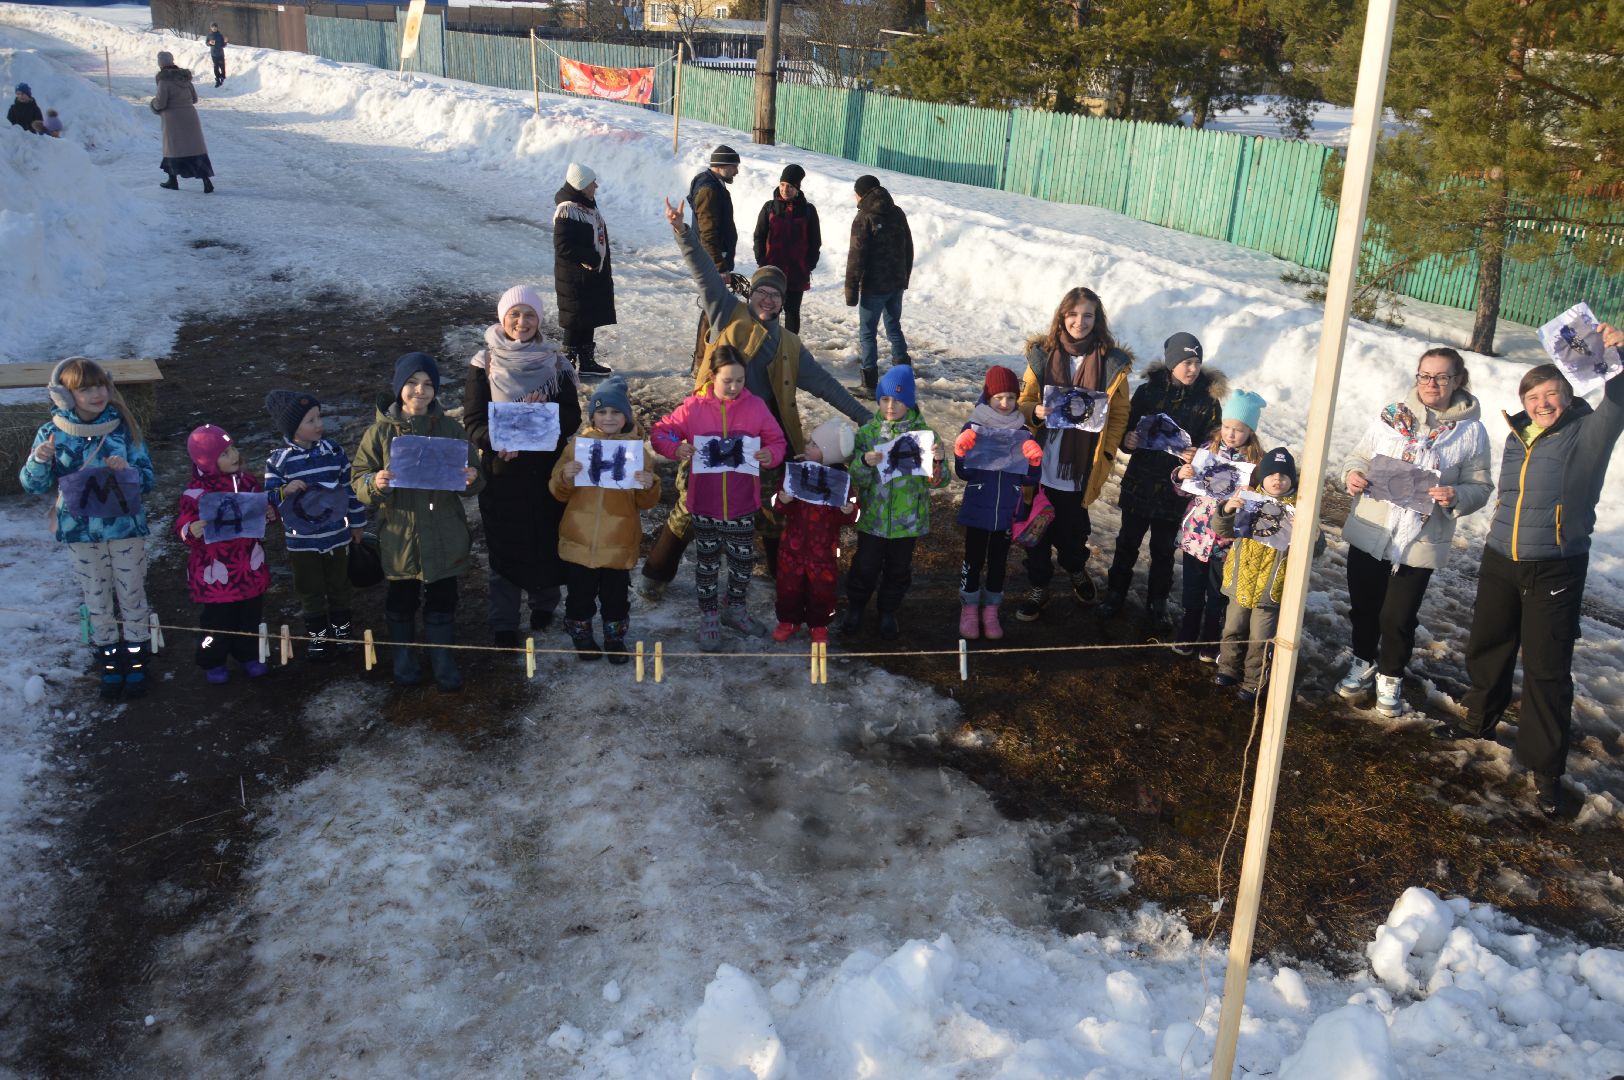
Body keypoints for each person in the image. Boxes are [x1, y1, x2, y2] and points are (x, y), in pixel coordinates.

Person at [642, 196, 870, 600]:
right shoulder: (727, 312)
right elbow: (704, 274)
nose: (767, 299)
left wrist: (868, 418)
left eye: (775, 295)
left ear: (783, 302)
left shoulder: (791, 345)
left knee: (771, 513)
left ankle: (784, 585)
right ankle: (656, 574)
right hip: (710, 429)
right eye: (762, 291)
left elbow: (827, 386)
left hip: (762, 442)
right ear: (753, 294)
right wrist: (682, 231)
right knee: (690, 512)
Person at [1438, 343, 1624, 815]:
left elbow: (1618, 400)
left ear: (1568, 396)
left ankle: (1545, 769)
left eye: (1551, 394)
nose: (1542, 403)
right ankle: (1479, 722)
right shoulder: (1518, 436)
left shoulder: (1587, 433)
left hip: (1555, 566)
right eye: (1533, 395)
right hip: (1501, 557)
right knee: (1488, 644)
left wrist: (1618, 356)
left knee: (1546, 669)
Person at [1336, 347, 1492, 716]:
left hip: (1419, 538)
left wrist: (1457, 495)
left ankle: (1390, 675)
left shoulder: (1471, 432)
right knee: (1364, 607)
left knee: (1398, 616)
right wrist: (1352, 475)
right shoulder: (1393, 415)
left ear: (1457, 381)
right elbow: (1358, 456)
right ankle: (1362, 660)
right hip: (1373, 527)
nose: (1431, 384)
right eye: (1425, 375)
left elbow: (1481, 486)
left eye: (1441, 377)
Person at [19, 359, 157, 700]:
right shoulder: (51, 432)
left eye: (100, 386)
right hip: (81, 534)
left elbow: (149, 479)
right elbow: (33, 486)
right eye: (85, 388)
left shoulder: (123, 427)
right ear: (65, 395)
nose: (96, 394)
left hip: (125, 529)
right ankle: (110, 665)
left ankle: (138, 664)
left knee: (132, 594)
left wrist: (128, 471)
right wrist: (39, 459)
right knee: (96, 598)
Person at [352, 353, 485, 692]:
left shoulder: (450, 429)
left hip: (444, 531)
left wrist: (472, 478)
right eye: (412, 383)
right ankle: (404, 660)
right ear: (400, 388)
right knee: (401, 599)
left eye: (427, 385)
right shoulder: (379, 434)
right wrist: (374, 484)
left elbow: (475, 476)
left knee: (443, 600)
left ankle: (442, 660)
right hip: (400, 536)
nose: (420, 391)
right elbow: (359, 478)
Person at [462, 286, 581, 649]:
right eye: (515, 314)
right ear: (503, 318)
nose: (522, 322)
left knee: (546, 539)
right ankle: (504, 621)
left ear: (539, 320)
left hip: (547, 471)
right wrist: (497, 442)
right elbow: (473, 421)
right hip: (503, 472)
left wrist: (545, 408)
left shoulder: (557, 364)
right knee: (505, 545)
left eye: (530, 315)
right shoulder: (484, 363)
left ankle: (544, 605)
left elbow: (572, 417)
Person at [650, 346, 788, 651]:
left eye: (740, 380)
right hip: (705, 505)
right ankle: (709, 615)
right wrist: (676, 449)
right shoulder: (693, 408)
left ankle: (735, 608)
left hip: (742, 505)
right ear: (712, 376)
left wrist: (770, 455)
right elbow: (661, 432)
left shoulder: (756, 407)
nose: (735, 387)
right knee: (708, 564)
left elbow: (776, 440)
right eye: (728, 380)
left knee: (742, 564)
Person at [1015, 287, 1132, 621]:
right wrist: (1034, 412)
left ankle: (1075, 567)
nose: (1079, 322)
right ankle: (1039, 586)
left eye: (1087, 315)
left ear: (1097, 320)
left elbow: (1119, 415)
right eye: (1073, 315)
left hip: (1081, 465)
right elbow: (1024, 400)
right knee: (1035, 531)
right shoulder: (1042, 354)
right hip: (1039, 461)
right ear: (1061, 317)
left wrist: (1107, 454)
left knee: (1072, 530)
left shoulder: (1111, 363)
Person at [1098, 332, 1225, 635]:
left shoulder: (1208, 402)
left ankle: (1158, 601)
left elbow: (1214, 442)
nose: (1192, 369)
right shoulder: (1147, 392)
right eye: (1185, 362)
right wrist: (1128, 442)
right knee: (1127, 541)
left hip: (1175, 489)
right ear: (1171, 364)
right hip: (1140, 480)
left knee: (1164, 549)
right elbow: (1127, 430)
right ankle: (1115, 593)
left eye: (1196, 362)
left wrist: (1201, 454)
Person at [549, 377, 660, 663]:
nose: (608, 418)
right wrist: (565, 477)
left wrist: (650, 484)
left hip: (618, 541)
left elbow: (646, 502)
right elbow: (557, 492)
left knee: (615, 597)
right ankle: (581, 634)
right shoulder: (577, 448)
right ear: (592, 415)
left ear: (626, 416)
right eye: (601, 412)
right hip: (579, 539)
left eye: (615, 412)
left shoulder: (637, 453)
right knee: (579, 595)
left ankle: (614, 637)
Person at [842, 365, 949, 640]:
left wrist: (938, 461)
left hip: (908, 522)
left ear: (909, 402)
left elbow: (939, 482)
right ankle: (855, 606)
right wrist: (864, 463)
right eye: (886, 399)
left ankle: (888, 611)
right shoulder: (867, 434)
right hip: (873, 520)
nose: (891, 406)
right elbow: (856, 479)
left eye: (899, 400)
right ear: (878, 400)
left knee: (898, 570)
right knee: (865, 565)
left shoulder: (926, 436)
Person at [263, 390, 367, 662]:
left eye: (319, 417)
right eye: (310, 421)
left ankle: (342, 633)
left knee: (339, 585)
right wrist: (285, 490)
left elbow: (349, 490)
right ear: (293, 428)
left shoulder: (334, 452)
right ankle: (318, 637)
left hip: (336, 536)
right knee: (309, 588)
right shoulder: (279, 461)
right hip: (302, 542)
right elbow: (269, 498)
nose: (319, 424)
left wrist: (357, 523)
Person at [1211, 447, 1319, 703]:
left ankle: (1253, 682)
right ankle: (1227, 668)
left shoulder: (1300, 511)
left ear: (1292, 480)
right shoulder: (1248, 499)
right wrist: (1227, 509)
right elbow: (1223, 529)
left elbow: (1317, 548)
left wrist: (1309, 532)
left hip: (1271, 588)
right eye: (1272, 475)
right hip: (1240, 581)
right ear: (1263, 478)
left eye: (1284, 476)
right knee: (1232, 628)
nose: (1277, 480)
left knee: (1260, 639)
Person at [1171, 389, 1266, 660]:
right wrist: (1181, 474)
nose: (1231, 434)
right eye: (1226, 427)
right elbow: (1183, 490)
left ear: (1250, 431)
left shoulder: (1256, 462)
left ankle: (1212, 636)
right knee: (1192, 586)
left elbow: (1262, 502)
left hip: (1228, 541)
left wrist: (1251, 494)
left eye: (1238, 429)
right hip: (1197, 534)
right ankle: (1188, 627)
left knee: (1217, 591)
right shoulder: (1206, 450)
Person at [952, 365, 1043, 640]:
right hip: (978, 508)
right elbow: (964, 473)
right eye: (998, 397)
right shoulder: (973, 427)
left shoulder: (1023, 431)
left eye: (1011, 398)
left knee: (999, 562)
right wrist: (960, 452)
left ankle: (991, 611)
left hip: (1006, 511)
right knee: (974, 559)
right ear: (988, 397)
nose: (1005, 404)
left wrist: (1035, 462)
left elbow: (1029, 479)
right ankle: (968, 609)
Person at [177, 425, 272, 685]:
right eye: (224, 453)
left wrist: (268, 514)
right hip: (215, 573)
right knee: (216, 623)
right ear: (206, 461)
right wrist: (191, 530)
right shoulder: (196, 494)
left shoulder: (248, 483)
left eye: (232, 449)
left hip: (248, 567)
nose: (233, 456)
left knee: (249, 618)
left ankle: (249, 655)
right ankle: (213, 660)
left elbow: (259, 515)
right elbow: (182, 526)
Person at [769, 418, 859, 644]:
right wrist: (783, 500)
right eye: (809, 442)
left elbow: (853, 515)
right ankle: (788, 621)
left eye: (814, 444)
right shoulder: (797, 473)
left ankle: (819, 625)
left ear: (829, 453)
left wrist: (849, 510)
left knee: (823, 591)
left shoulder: (842, 482)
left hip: (824, 552)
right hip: (792, 548)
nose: (807, 446)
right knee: (788, 588)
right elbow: (777, 506)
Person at [845, 174, 914, 393]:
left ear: (861, 194)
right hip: (896, 284)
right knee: (893, 326)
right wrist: (904, 276)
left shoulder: (864, 217)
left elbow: (856, 257)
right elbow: (908, 247)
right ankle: (903, 377)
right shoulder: (897, 212)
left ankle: (869, 383)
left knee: (867, 332)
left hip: (873, 287)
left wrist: (851, 290)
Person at [552, 163, 615, 378]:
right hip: (574, 278)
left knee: (588, 317)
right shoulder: (567, 210)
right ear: (580, 186)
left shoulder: (586, 205)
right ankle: (567, 366)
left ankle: (587, 362)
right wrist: (590, 257)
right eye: (591, 183)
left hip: (589, 276)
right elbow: (562, 246)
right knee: (574, 320)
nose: (596, 186)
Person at [688, 144, 741, 368]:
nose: (736, 172)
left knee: (713, 311)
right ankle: (702, 363)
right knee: (712, 313)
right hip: (712, 262)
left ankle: (703, 361)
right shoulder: (709, 190)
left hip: (714, 260)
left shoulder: (713, 185)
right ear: (722, 166)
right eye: (734, 167)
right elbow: (708, 234)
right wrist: (719, 266)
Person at [752, 163, 821, 335]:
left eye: (790, 186)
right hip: (772, 270)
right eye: (782, 184)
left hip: (797, 271)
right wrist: (762, 261)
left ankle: (789, 349)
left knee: (792, 312)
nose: (785, 189)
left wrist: (809, 264)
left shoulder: (808, 210)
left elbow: (815, 241)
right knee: (768, 310)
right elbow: (759, 236)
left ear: (797, 188)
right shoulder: (769, 207)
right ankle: (765, 346)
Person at [151, 52, 214, 194]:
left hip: (172, 119)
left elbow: (160, 103)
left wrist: (152, 104)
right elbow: (194, 99)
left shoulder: (164, 81)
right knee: (195, 148)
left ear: (160, 64)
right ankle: (206, 181)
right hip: (190, 116)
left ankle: (173, 180)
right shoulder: (185, 78)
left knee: (173, 149)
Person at [205, 23, 229, 87]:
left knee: (222, 67)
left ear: (217, 28)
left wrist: (225, 42)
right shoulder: (209, 35)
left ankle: (222, 77)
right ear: (211, 28)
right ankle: (217, 79)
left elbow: (223, 45)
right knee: (216, 67)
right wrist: (209, 43)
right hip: (214, 54)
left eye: (215, 27)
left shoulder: (220, 35)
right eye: (213, 27)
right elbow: (206, 43)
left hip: (220, 54)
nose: (214, 28)